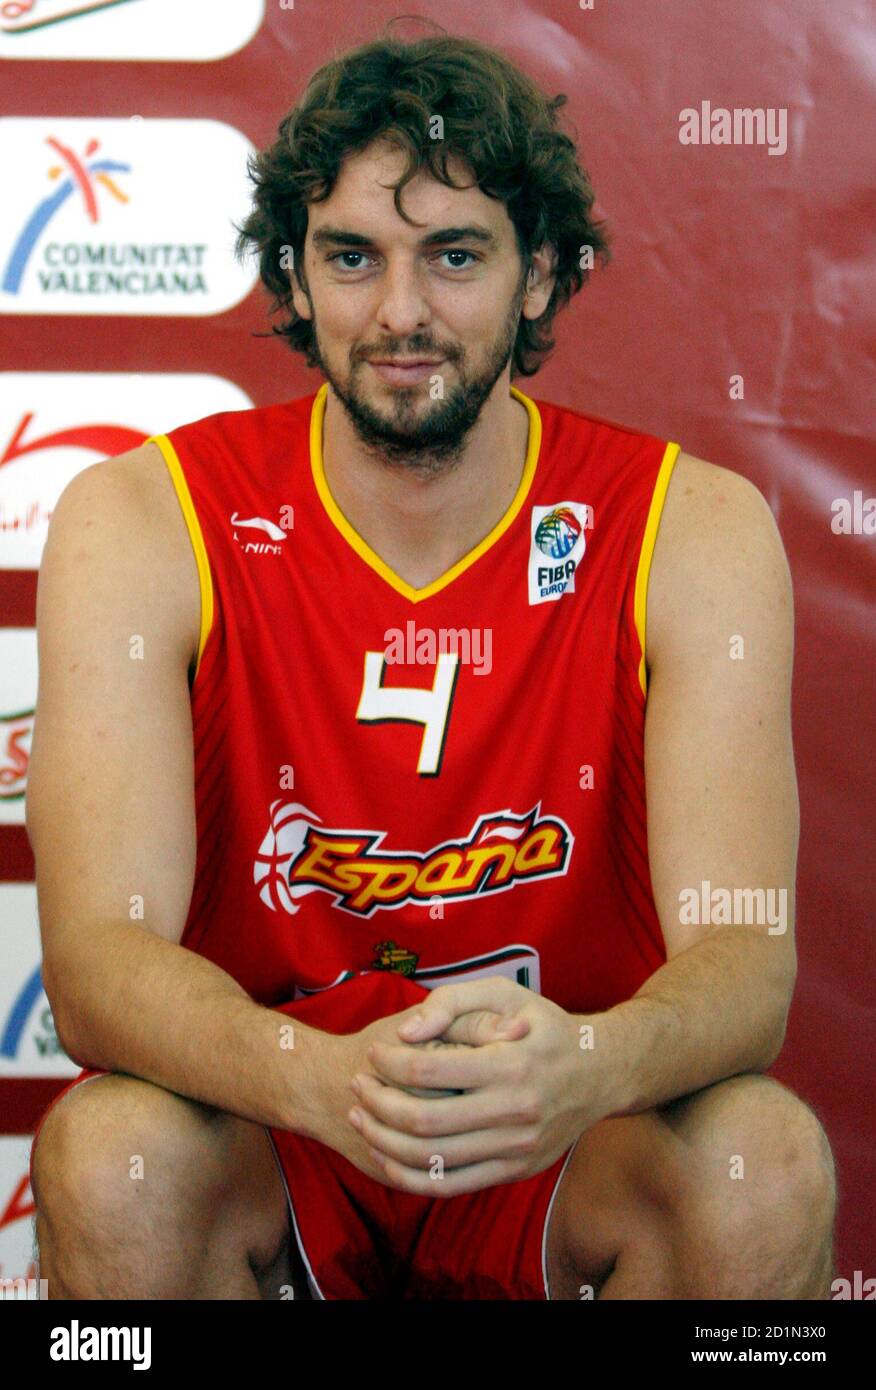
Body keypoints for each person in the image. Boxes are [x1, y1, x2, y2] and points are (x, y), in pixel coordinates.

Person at [26, 30, 835, 1300]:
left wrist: (588, 1063)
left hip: (559, 1134)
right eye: (353, 257)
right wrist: (308, 1073)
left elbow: (746, 971)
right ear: (294, 280)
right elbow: (93, 967)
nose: (400, 312)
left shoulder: (690, 526)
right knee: (106, 1154)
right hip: (277, 1117)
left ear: (540, 279)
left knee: (765, 1158)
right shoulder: (146, 518)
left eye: (454, 255)